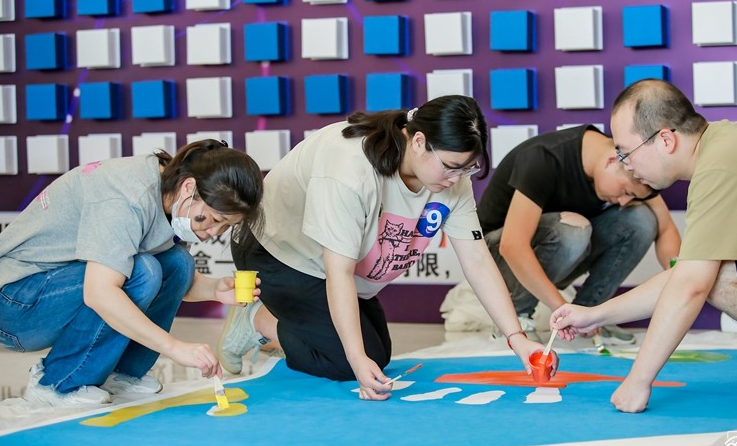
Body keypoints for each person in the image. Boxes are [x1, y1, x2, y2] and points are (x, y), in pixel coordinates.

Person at [218, 95, 553, 400]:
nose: (457, 178)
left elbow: (477, 259)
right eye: (452, 167)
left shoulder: (450, 178)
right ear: (419, 141)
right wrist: (355, 359)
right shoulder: (351, 166)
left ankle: (297, 324)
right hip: (276, 252)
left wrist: (516, 338)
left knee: (377, 353)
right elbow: (338, 272)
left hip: (325, 263)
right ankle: (257, 320)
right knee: (347, 361)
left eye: (468, 168)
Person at [550, 79, 737, 412]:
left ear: (665, 140)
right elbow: (688, 275)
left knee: (714, 282)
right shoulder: (723, 146)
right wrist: (595, 315)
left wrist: (637, 382)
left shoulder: (718, 169)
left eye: (626, 152)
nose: (626, 165)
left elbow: (692, 286)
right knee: (714, 273)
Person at [0, 139, 264, 406]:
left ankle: (122, 375)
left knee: (179, 262)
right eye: (215, 219)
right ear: (189, 187)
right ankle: (57, 383)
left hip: (49, 292)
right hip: (12, 303)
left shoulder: (173, 198)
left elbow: (173, 279)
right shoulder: (127, 195)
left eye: (225, 226)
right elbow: (100, 293)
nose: (213, 232)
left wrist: (215, 289)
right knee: (142, 270)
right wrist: (174, 347)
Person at [476, 125, 681, 345]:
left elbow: (665, 227)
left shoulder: (632, 164)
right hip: (495, 257)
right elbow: (512, 246)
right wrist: (563, 310)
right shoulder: (545, 158)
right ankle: (516, 318)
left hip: (556, 252)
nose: (624, 202)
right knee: (575, 229)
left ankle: (590, 318)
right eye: (626, 192)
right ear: (612, 161)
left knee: (641, 219)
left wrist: (680, 277)